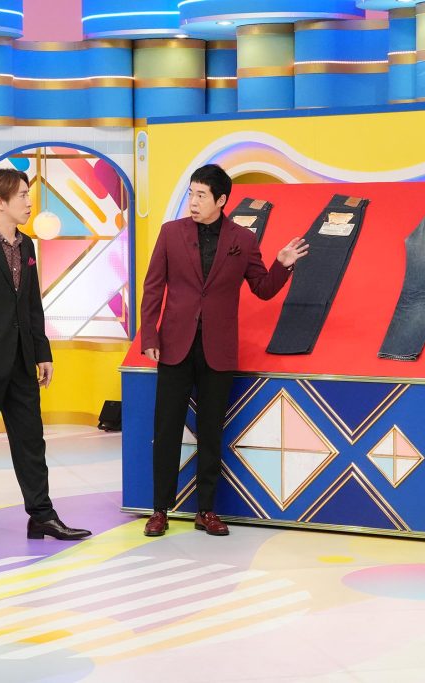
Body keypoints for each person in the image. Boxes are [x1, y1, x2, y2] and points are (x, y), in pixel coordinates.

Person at [139, 164, 309, 537]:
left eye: (201, 195)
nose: (193, 201)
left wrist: (282, 265)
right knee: (166, 430)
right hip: (174, 346)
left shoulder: (242, 240)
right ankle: (159, 510)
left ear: (221, 200)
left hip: (218, 350)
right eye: (191, 193)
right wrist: (149, 335)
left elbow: (262, 288)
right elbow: (153, 288)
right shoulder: (170, 233)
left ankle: (206, 510)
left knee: (211, 432)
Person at [0, 167, 90, 547]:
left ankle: (42, 516)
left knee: (31, 442)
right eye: (23, 195)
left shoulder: (26, 246)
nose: (29, 202)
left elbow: (32, 305)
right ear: (0, 201)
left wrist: (42, 352)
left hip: (22, 361)